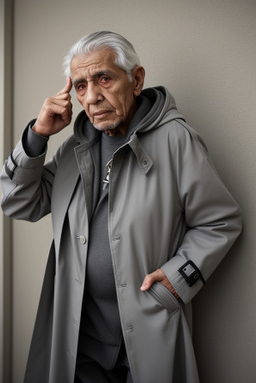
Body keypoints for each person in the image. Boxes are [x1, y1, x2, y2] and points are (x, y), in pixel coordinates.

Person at [0, 31, 242, 383]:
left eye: (104, 78)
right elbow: (18, 201)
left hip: (146, 331)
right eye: (80, 86)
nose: (93, 97)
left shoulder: (175, 139)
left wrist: (177, 280)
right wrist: (38, 135)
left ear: (136, 79)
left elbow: (221, 221)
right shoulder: (73, 149)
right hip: (80, 338)